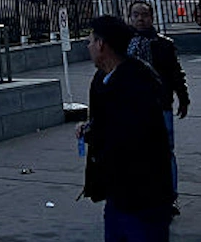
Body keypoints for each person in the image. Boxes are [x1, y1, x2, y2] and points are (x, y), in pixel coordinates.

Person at [77, 14, 174, 241]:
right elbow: (106, 123)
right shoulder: (102, 79)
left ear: (101, 45)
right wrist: (90, 128)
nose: (88, 46)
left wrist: (98, 134)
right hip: (117, 192)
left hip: (143, 193)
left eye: (91, 41)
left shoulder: (137, 82)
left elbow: (133, 136)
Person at [127, 0, 189, 212]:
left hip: (159, 103)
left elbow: (175, 72)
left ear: (152, 17)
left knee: (165, 151)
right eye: (135, 15)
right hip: (132, 105)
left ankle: (170, 195)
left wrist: (183, 96)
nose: (140, 19)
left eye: (144, 15)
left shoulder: (163, 44)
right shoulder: (125, 44)